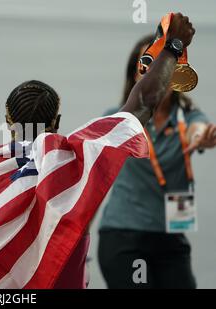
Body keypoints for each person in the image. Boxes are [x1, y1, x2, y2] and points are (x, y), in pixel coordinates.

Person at [0, 13, 197, 289]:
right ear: (57, 122)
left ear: (7, 123)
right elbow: (141, 105)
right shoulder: (72, 162)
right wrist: (172, 47)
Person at [98, 33, 216, 289]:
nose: (153, 72)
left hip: (170, 239)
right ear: (134, 75)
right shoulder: (116, 120)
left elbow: (199, 128)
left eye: (161, 64)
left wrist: (204, 137)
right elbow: (93, 178)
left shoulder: (188, 117)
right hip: (123, 237)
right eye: (145, 64)